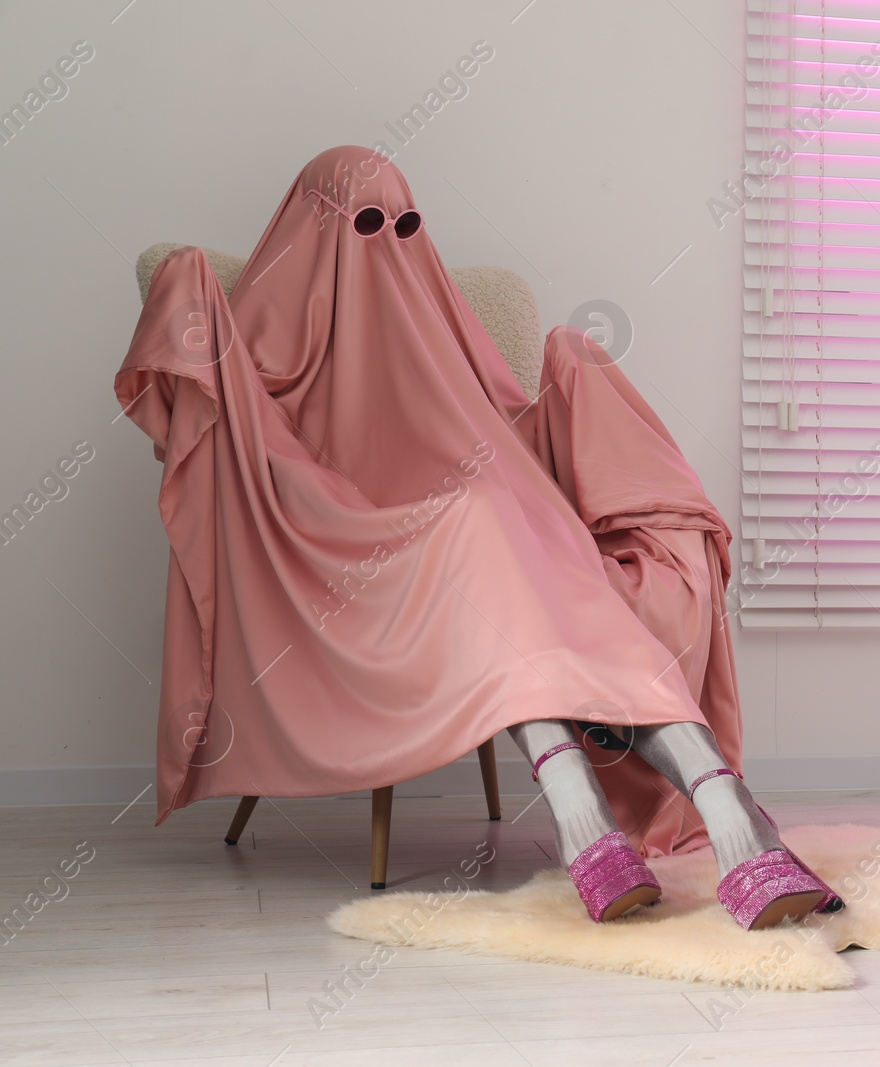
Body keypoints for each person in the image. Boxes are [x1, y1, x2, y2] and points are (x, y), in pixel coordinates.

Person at [114, 145, 836, 930]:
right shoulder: (251, 345)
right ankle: (718, 803)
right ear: (307, 231)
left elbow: (507, 427)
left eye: (405, 224)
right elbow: (249, 476)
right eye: (362, 223)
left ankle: (594, 812)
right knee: (484, 527)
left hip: (497, 547)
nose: (386, 245)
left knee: (499, 515)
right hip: (352, 562)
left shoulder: (435, 329)